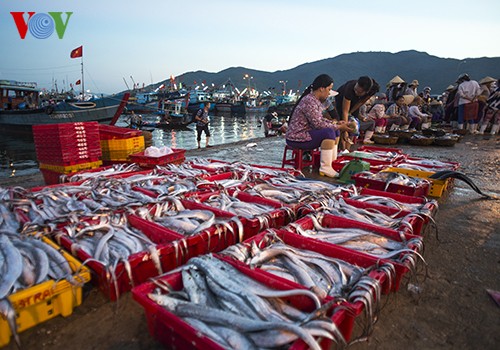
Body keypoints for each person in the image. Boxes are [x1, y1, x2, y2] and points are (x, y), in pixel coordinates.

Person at [285, 74, 352, 177]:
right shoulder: (309, 101)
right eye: (329, 89)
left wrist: (336, 124)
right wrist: (338, 126)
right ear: (321, 88)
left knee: (334, 130)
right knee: (329, 132)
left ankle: (332, 162)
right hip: (297, 137)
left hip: (305, 134)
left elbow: (320, 120)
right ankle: (325, 167)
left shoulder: (315, 101)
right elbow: (318, 124)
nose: (329, 92)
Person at [334, 76, 380, 149]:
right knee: (342, 122)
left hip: (355, 101)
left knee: (353, 125)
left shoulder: (371, 91)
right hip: (341, 99)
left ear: (366, 92)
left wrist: (351, 112)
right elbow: (345, 111)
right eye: (356, 89)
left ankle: (348, 148)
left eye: (359, 92)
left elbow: (361, 102)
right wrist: (345, 129)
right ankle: (341, 148)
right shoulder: (349, 88)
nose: (356, 92)